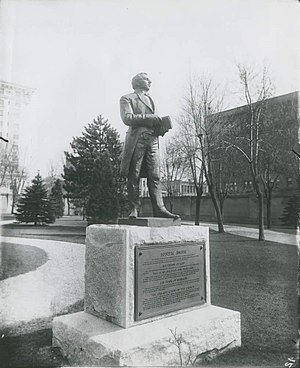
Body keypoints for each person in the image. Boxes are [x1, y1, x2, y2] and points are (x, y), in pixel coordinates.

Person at [120, 72, 179, 219]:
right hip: (137, 140)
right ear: (139, 82)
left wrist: (161, 127)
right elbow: (127, 118)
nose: (150, 82)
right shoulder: (127, 98)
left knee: (155, 175)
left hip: (153, 140)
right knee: (134, 175)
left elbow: (154, 122)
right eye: (147, 79)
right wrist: (150, 118)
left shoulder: (151, 99)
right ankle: (134, 208)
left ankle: (159, 208)